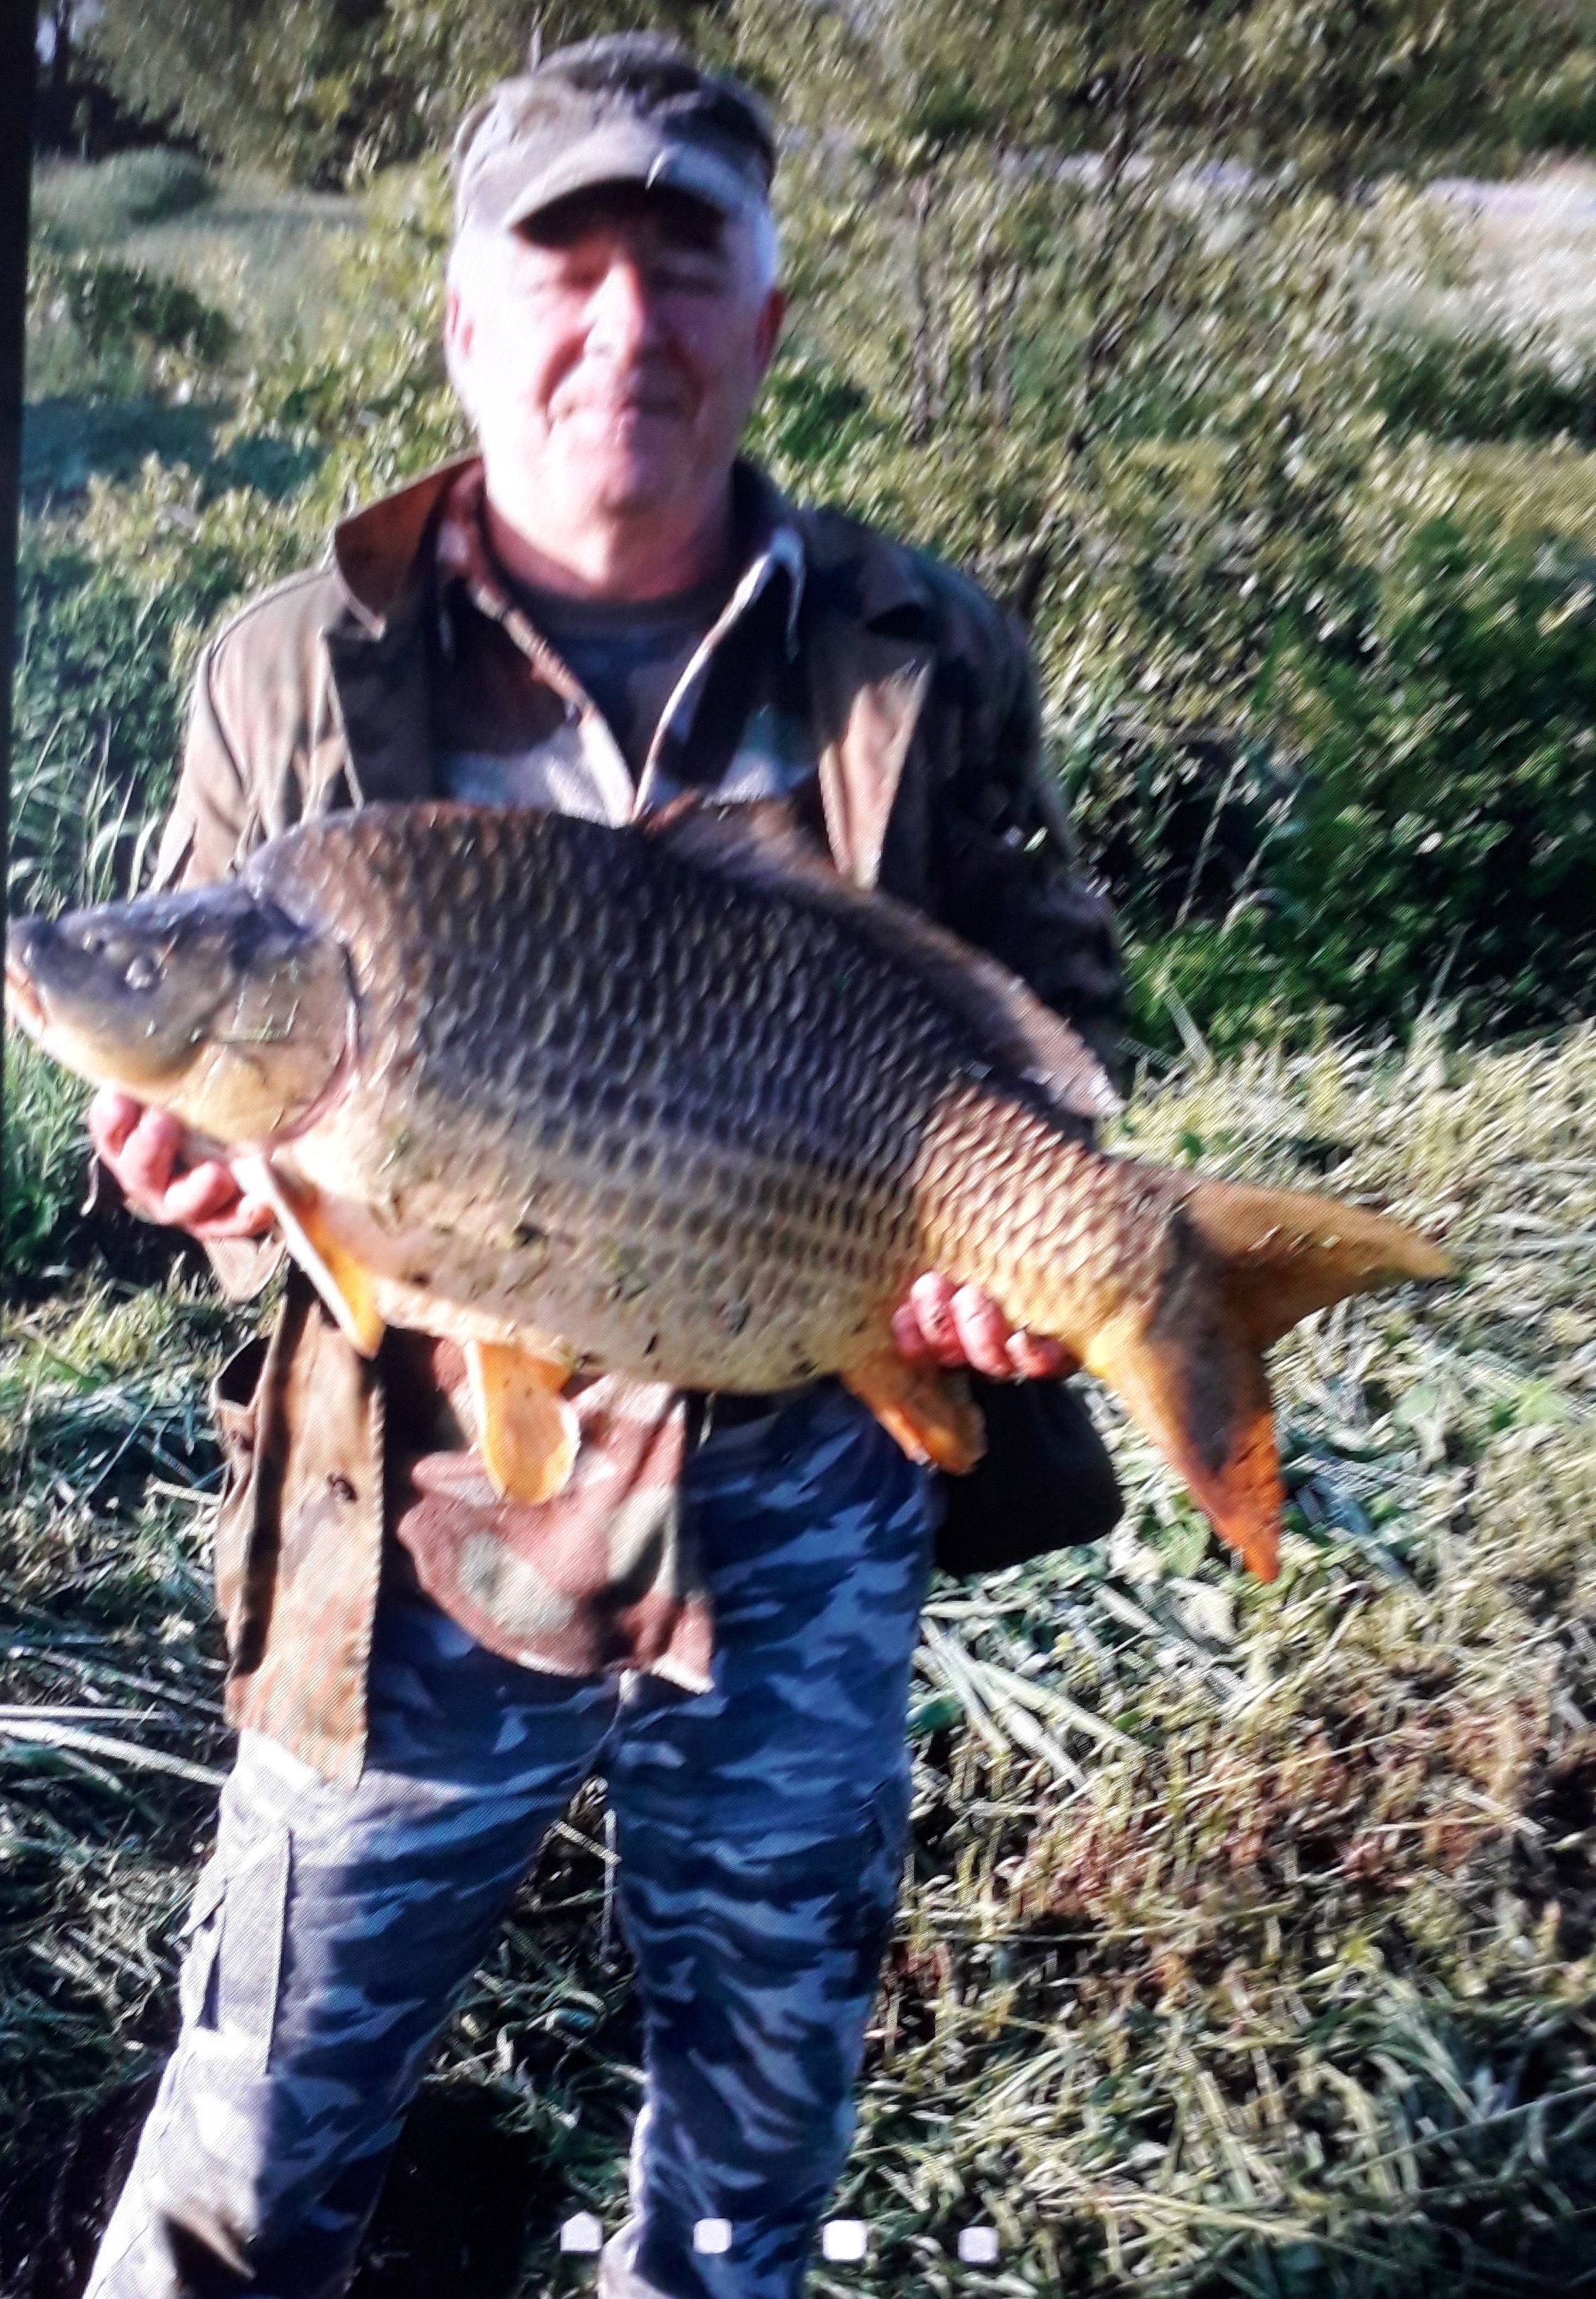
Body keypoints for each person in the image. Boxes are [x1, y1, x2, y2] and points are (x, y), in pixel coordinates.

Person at [81, 34, 1125, 2299]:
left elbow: (1062, 1011)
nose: (624, 322)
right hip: (413, 1507)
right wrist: (186, 1174)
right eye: (565, 265)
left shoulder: (924, 650)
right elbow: (209, 1049)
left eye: (686, 261)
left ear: (768, 313)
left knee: (752, 2160)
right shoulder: (288, 666)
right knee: (250, 2135)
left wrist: (1030, 1233)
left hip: (806, 1484)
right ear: (468, 320)